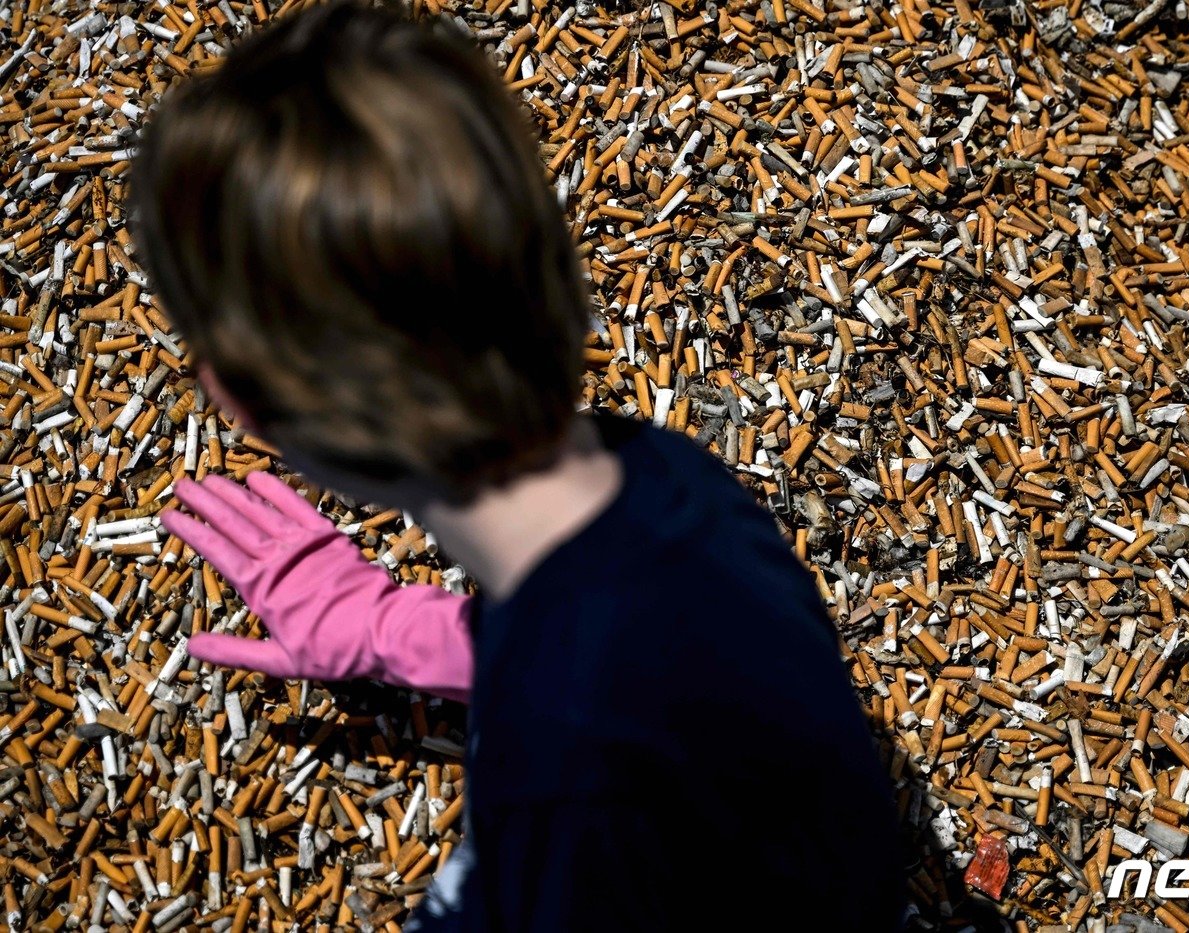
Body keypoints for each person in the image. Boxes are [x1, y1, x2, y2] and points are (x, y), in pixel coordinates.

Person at [128, 1, 906, 930]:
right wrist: (390, 630)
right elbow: (636, 655)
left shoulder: (566, 794)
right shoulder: (662, 474)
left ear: (244, 406)